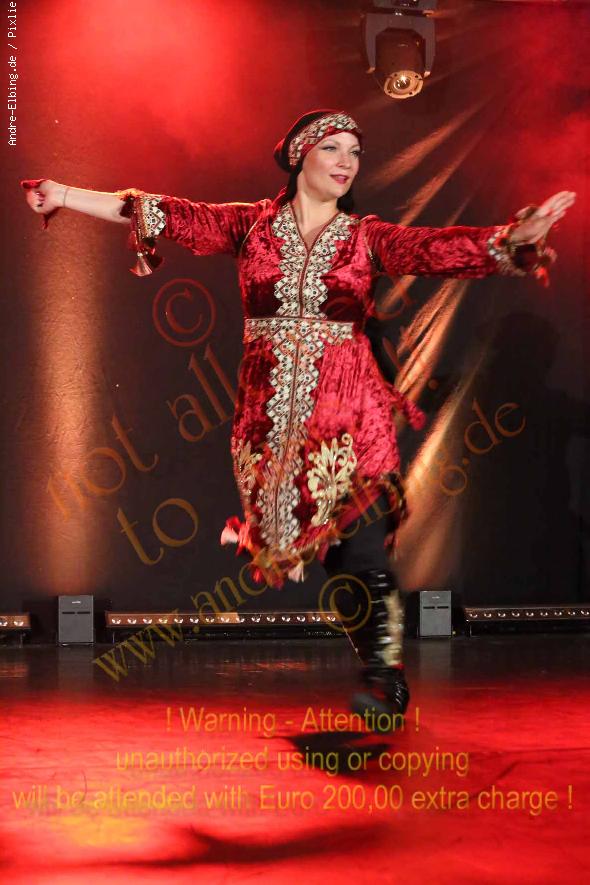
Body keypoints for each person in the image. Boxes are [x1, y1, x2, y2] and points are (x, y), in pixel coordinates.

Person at [21, 109, 575, 728]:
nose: (346, 162)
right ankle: (377, 664)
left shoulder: (365, 237)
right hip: (272, 424)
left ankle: (384, 679)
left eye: (354, 153)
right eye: (332, 148)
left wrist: (509, 239)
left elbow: (433, 249)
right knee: (330, 561)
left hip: (353, 417)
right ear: (298, 156)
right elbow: (156, 211)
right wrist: (62, 194)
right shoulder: (249, 227)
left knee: (363, 549)